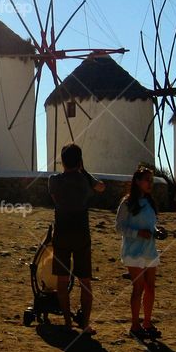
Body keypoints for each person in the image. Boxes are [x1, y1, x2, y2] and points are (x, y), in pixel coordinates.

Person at [49, 143, 105, 334]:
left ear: (62, 161)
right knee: (85, 281)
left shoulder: (54, 181)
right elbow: (101, 188)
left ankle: (67, 321)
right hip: (81, 233)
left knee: (62, 281)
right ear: (79, 161)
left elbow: (56, 200)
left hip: (62, 232)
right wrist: (85, 172)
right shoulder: (85, 181)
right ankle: (85, 323)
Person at [116, 166, 162, 341]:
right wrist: (137, 233)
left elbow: (151, 224)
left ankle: (147, 322)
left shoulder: (149, 202)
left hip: (149, 248)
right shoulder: (127, 203)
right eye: (147, 180)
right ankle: (135, 324)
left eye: (151, 180)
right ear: (137, 181)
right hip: (133, 250)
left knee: (150, 287)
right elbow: (119, 227)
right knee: (139, 287)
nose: (150, 184)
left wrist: (157, 231)